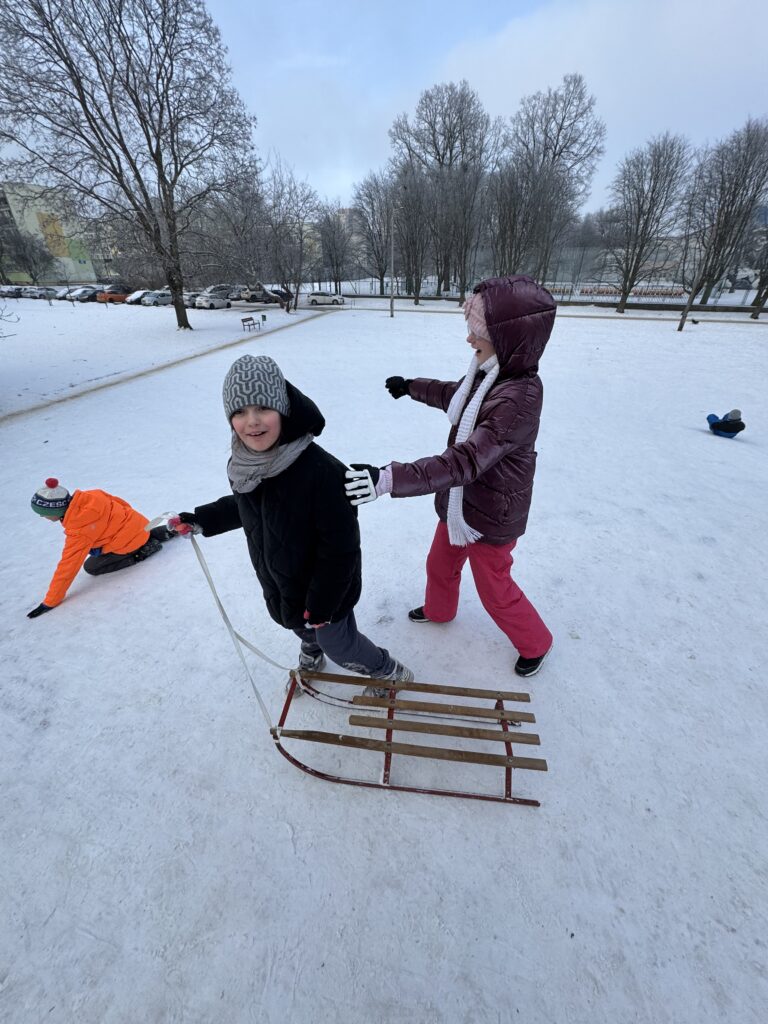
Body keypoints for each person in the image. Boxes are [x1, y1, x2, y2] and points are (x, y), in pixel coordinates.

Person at [345, 274, 554, 679]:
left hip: (492, 514)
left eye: (478, 333)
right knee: (439, 563)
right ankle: (440, 610)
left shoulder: (519, 397)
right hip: (462, 506)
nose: (469, 340)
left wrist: (388, 479)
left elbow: (463, 462)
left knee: (494, 589)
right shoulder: (489, 375)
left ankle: (536, 642)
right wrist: (411, 386)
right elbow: (451, 394)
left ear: (509, 339)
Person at [171, 354, 413, 692]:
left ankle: (386, 670)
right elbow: (247, 506)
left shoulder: (321, 472)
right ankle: (311, 647)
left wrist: (322, 605)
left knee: (340, 644)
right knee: (297, 624)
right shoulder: (246, 463)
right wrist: (203, 519)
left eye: (263, 409)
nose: (251, 422)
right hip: (282, 580)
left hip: (328, 591)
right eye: (239, 412)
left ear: (283, 409)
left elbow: (340, 549)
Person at [27, 478, 175, 618]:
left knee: (91, 566)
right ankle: (172, 528)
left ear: (56, 511)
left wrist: (50, 602)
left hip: (128, 542)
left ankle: (142, 552)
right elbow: (122, 503)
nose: (41, 516)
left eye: (43, 513)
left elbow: (68, 566)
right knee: (136, 534)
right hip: (141, 524)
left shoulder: (79, 530)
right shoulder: (92, 495)